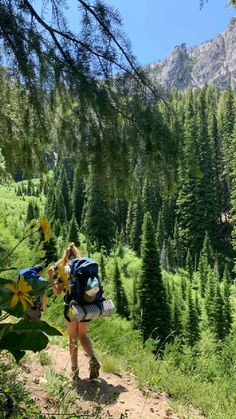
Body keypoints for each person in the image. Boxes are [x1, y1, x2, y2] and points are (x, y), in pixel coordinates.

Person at [48, 242, 101, 381]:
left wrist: (50, 277)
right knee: (83, 335)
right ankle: (93, 359)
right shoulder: (86, 268)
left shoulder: (64, 269)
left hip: (71, 308)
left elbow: (58, 292)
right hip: (86, 307)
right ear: (78, 255)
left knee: (72, 337)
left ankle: (75, 371)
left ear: (66, 256)